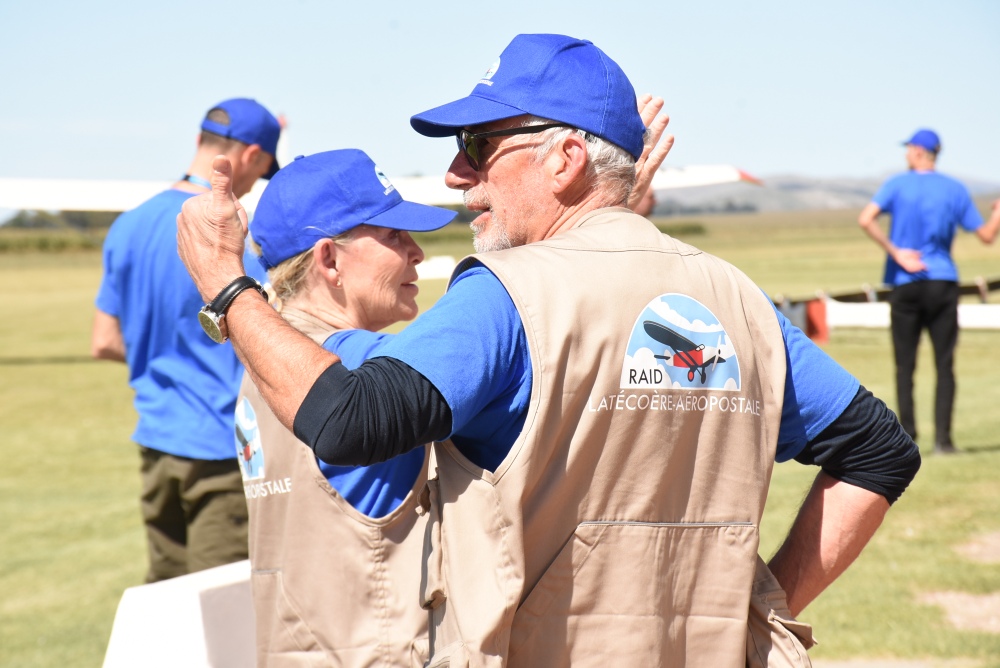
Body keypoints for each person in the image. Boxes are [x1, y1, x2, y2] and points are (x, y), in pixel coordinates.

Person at [178, 35, 920, 665]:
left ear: (565, 160)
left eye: (477, 147)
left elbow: (350, 419)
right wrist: (762, 606)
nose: (456, 179)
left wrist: (224, 284)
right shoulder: (736, 297)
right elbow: (881, 452)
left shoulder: (505, 295)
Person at [234, 149, 455, 666]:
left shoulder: (260, 363)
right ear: (329, 259)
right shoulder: (364, 365)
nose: (416, 253)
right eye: (394, 236)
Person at [92, 97, 280, 582]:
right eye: (262, 171)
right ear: (252, 157)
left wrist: (169, 358)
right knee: (227, 619)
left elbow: (105, 341)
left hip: (156, 444)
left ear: (199, 139)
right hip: (222, 450)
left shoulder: (127, 225)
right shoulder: (235, 236)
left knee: (170, 607)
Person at [858, 129, 1000, 454]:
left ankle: (907, 439)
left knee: (905, 365)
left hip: (905, 285)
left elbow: (866, 219)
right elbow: (987, 236)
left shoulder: (896, 184)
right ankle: (944, 441)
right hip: (943, 283)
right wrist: (997, 212)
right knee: (945, 363)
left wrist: (898, 254)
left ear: (920, 151)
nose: (906, 154)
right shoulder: (955, 189)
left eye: (908, 148)